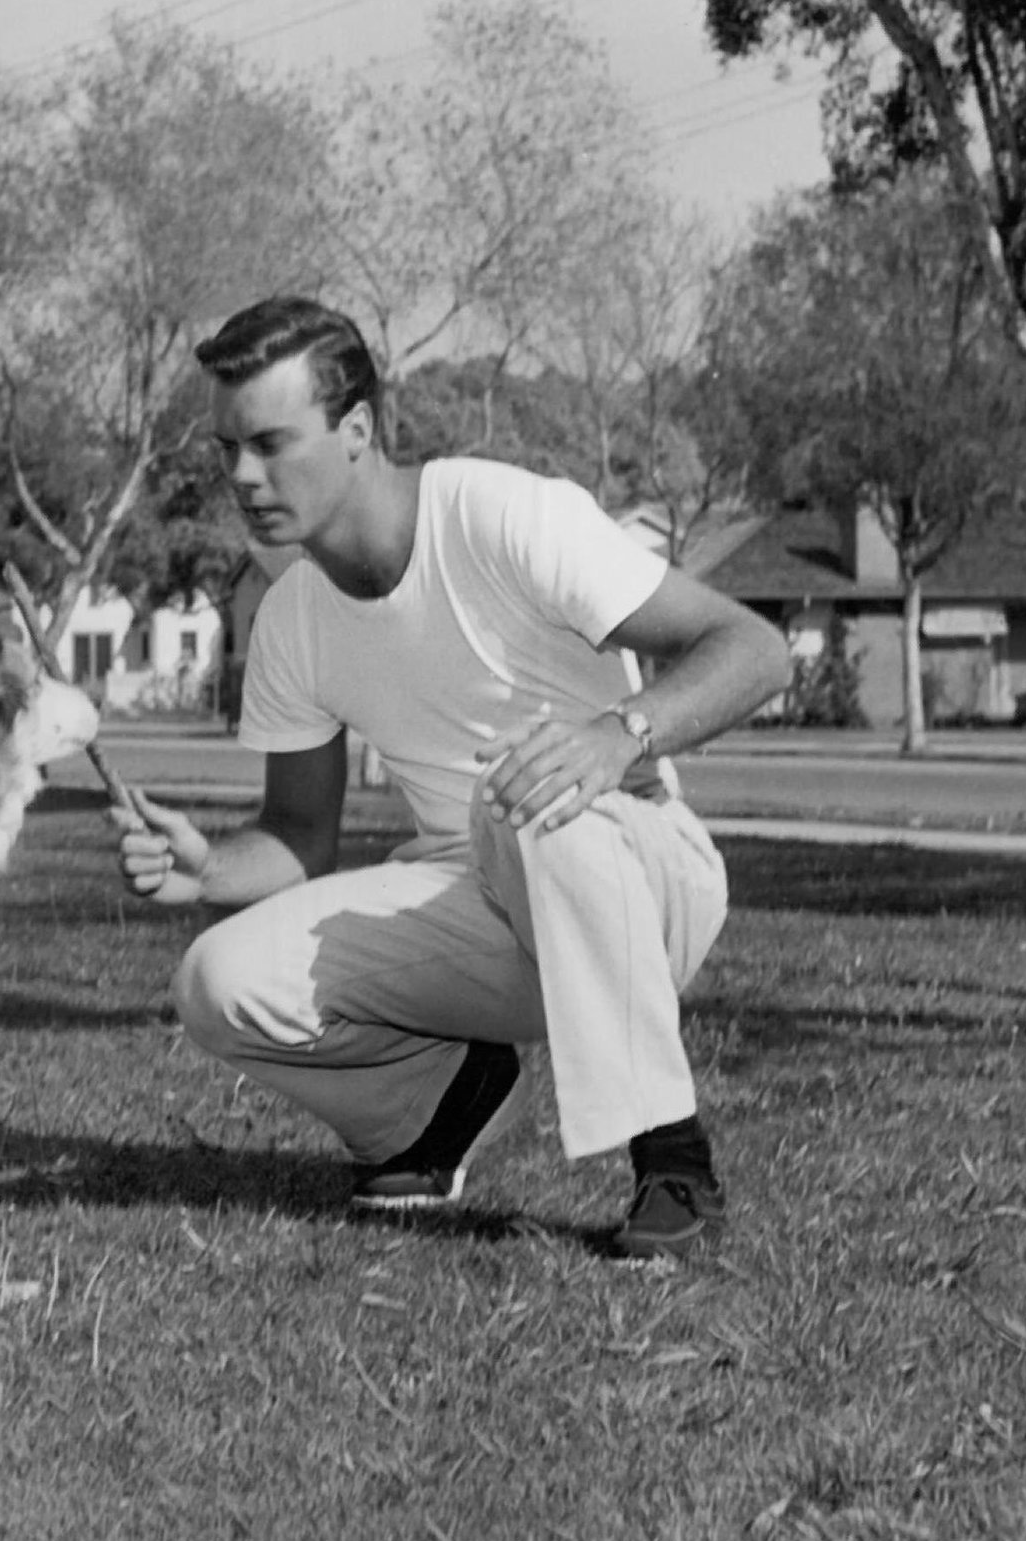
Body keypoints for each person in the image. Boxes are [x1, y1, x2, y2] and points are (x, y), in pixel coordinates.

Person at [112, 295, 790, 1258]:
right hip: (474, 908)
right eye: (227, 448)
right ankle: (441, 1107)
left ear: (356, 430)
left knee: (518, 799)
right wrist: (209, 868)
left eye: (270, 441)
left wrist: (618, 734)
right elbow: (300, 839)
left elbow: (755, 649)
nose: (243, 475)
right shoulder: (292, 614)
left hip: (640, 874)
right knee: (217, 981)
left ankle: (671, 1160)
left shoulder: (500, 513)